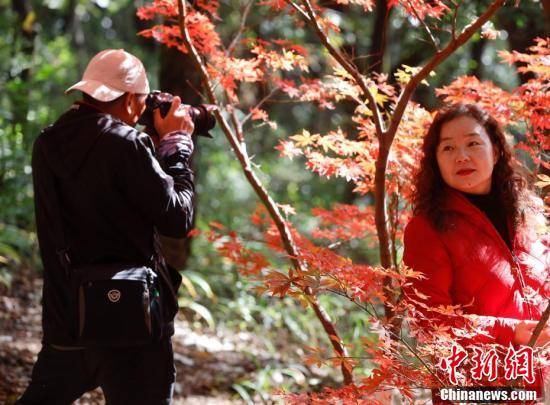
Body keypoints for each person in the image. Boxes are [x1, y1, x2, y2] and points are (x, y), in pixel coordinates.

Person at [17, 49, 195, 404]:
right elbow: (177, 218)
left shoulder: (47, 143)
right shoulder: (129, 144)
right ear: (130, 100)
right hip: (131, 323)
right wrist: (176, 149)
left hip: (67, 319)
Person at [403, 103, 549, 397]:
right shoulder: (427, 229)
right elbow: (428, 322)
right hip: (473, 386)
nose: (462, 156)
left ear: (495, 151)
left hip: (540, 382)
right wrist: (511, 332)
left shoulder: (529, 212)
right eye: (448, 148)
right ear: (436, 162)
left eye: (473, 143)